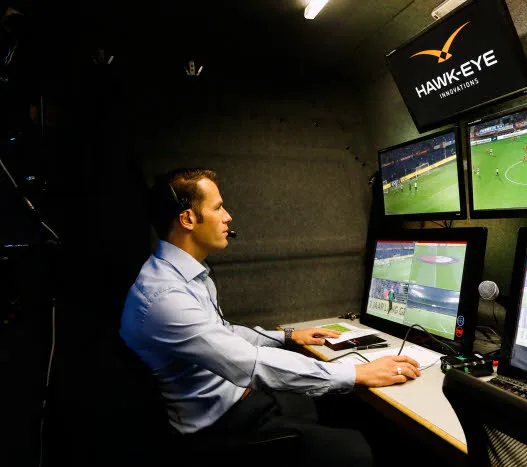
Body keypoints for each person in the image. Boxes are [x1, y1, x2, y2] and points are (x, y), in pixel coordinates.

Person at [120, 168, 421, 467]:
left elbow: (223, 333)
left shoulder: (183, 276)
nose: (228, 217)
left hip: (236, 399)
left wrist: (288, 336)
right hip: (217, 428)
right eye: (218, 208)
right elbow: (248, 364)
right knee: (356, 449)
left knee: (332, 407)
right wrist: (356, 374)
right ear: (187, 219)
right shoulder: (166, 298)